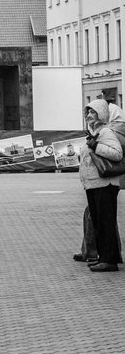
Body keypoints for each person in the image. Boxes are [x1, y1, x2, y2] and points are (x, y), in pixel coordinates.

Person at [79, 99, 123, 273]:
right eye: (87, 112)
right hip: (93, 185)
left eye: (93, 112)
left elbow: (117, 154)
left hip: (104, 185)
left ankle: (109, 261)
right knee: (99, 222)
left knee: (106, 222)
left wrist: (96, 146)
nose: (89, 115)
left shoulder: (105, 132)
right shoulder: (94, 132)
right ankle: (103, 257)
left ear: (102, 114)